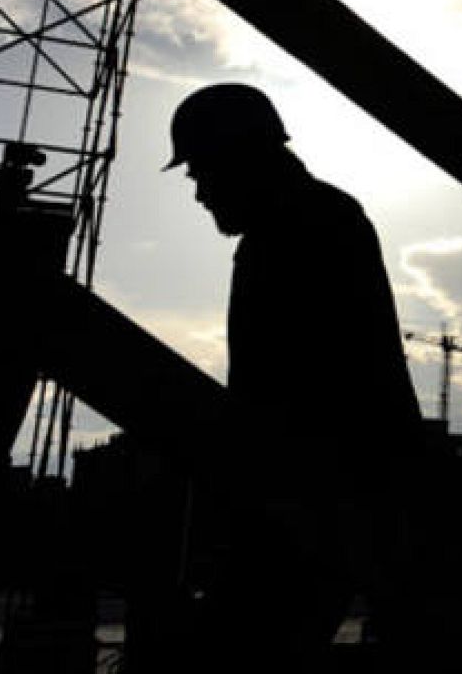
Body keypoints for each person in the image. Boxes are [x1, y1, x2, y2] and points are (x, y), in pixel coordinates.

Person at [163, 83, 425, 671]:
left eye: (203, 172)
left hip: (323, 501)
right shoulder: (307, 221)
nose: (200, 193)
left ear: (242, 156)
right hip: (324, 499)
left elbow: (307, 386)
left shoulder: (303, 229)